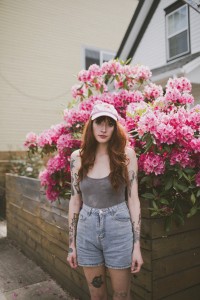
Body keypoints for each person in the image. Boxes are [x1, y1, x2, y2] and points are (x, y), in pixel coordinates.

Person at [67, 101, 143, 300]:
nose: (103, 128)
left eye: (109, 123)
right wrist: (72, 245)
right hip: (87, 230)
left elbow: (133, 199)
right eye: (99, 122)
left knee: (121, 295)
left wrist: (137, 247)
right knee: (97, 295)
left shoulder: (126, 156)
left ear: (115, 127)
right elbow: (75, 201)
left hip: (118, 229)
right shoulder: (78, 158)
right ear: (90, 125)